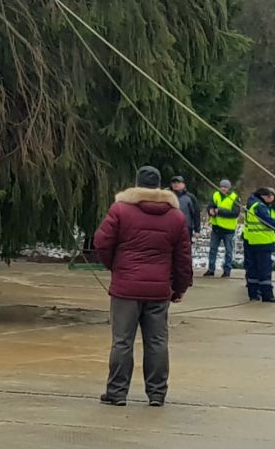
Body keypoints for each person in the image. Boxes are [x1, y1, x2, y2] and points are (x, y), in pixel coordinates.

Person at [92, 165, 193, 408]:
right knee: (157, 342)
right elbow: (183, 258)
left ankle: (117, 392)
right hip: (159, 290)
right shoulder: (175, 217)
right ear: (160, 186)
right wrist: (179, 288)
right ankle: (157, 394)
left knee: (122, 341)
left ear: (137, 183)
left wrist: (115, 267)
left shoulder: (120, 210)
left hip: (125, 288)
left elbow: (101, 242)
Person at [241, 185, 275, 303]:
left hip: (252, 241)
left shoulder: (252, 204)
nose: (272, 199)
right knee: (264, 271)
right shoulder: (260, 206)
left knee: (252, 270)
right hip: (263, 242)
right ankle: (267, 295)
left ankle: (253, 294)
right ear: (264, 196)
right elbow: (267, 221)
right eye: (270, 196)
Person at [203, 178, 240, 277]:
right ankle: (211, 269)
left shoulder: (234, 197)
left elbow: (235, 213)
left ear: (229, 188)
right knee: (213, 249)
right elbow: (210, 205)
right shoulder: (215, 195)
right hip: (216, 228)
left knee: (228, 251)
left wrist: (219, 211)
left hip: (228, 230)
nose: (223, 189)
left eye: (225, 187)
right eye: (222, 187)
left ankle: (227, 270)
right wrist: (210, 210)